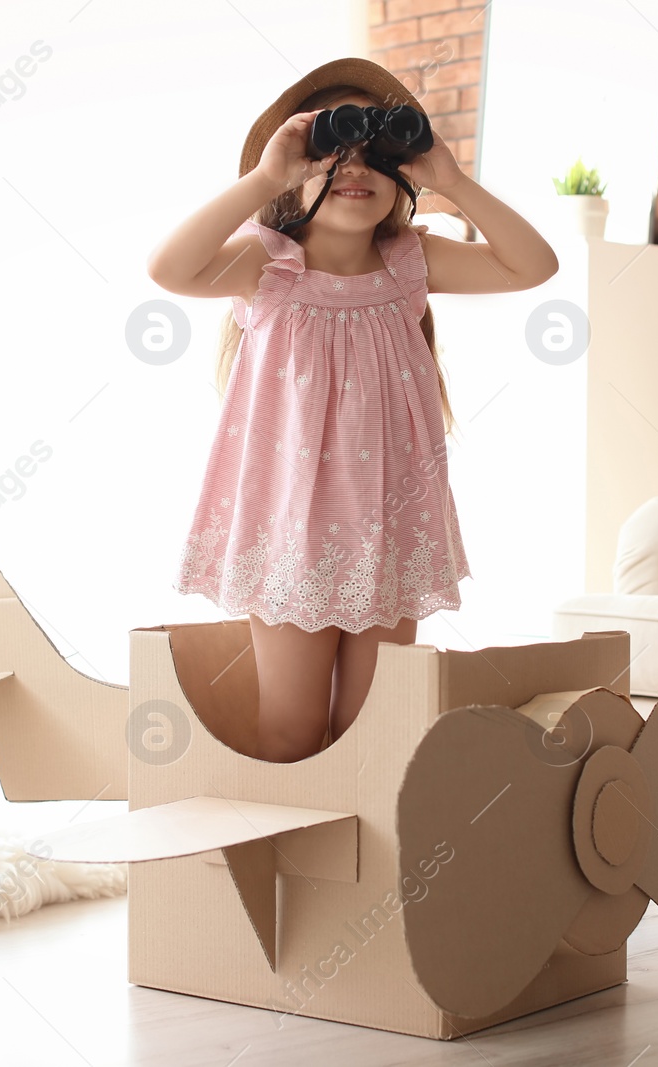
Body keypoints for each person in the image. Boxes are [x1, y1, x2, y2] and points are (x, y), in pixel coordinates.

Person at [149, 58, 558, 763]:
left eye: (379, 152)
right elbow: (168, 268)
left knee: (379, 733)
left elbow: (535, 265)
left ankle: (368, 874)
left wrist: (452, 183)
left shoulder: (409, 263)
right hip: (293, 532)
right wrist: (265, 179)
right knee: (292, 728)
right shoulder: (267, 265)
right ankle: (296, 868)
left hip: (392, 526)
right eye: (332, 151)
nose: (355, 168)